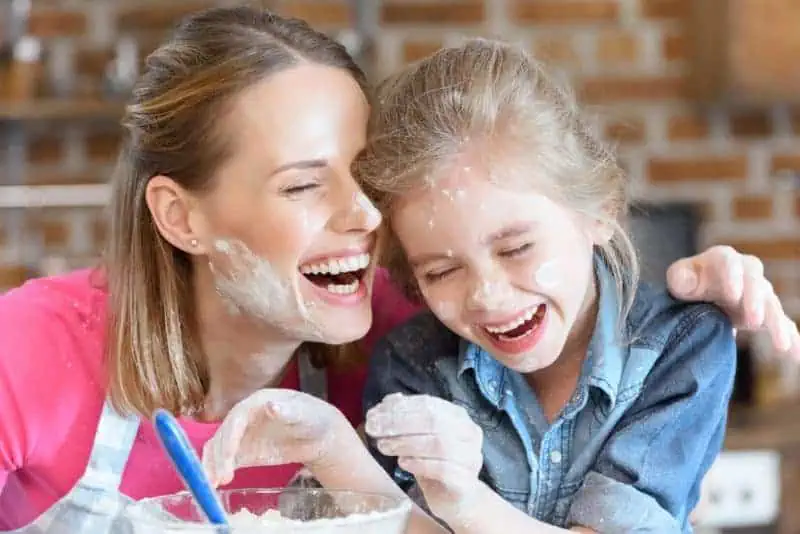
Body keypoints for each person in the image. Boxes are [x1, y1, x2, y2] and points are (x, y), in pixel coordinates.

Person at [0, 6, 794, 532]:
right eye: (306, 184)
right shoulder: (26, 349)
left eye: (366, 178)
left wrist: (697, 286)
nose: (368, 218)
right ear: (182, 216)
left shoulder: (404, 335)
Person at [353, 38, 746, 532]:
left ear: (598, 211)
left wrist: (463, 502)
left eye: (516, 249)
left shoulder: (683, 345)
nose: (487, 295)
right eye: (442, 272)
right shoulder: (413, 365)